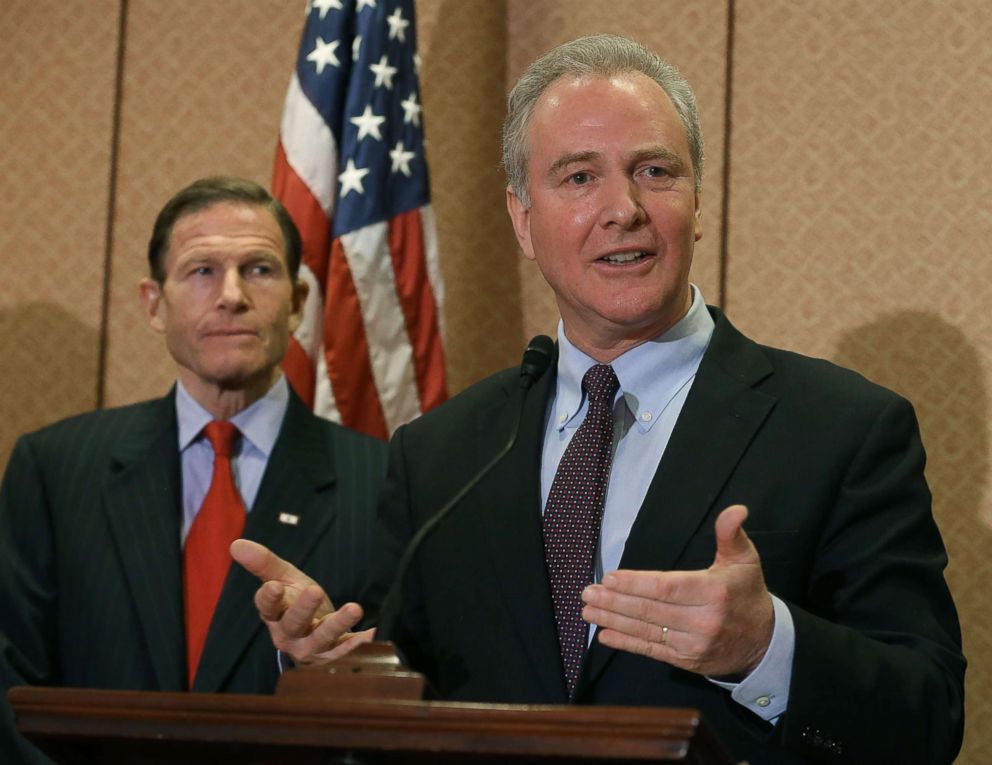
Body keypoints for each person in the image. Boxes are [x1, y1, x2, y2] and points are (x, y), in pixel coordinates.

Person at [233, 36, 965, 764]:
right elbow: (409, 695)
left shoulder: (842, 428)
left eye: (654, 170)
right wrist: (335, 667)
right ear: (522, 219)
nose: (624, 209)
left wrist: (765, 648)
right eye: (579, 177)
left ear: (697, 203)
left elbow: (928, 717)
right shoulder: (443, 453)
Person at [0, 176, 387, 763]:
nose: (230, 294)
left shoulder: (385, 480)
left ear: (299, 301)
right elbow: (11, 688)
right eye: (201, 271)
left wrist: (330, 669)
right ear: (154, 305)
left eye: (258, 269)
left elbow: (412, 694)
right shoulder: (53, 470)